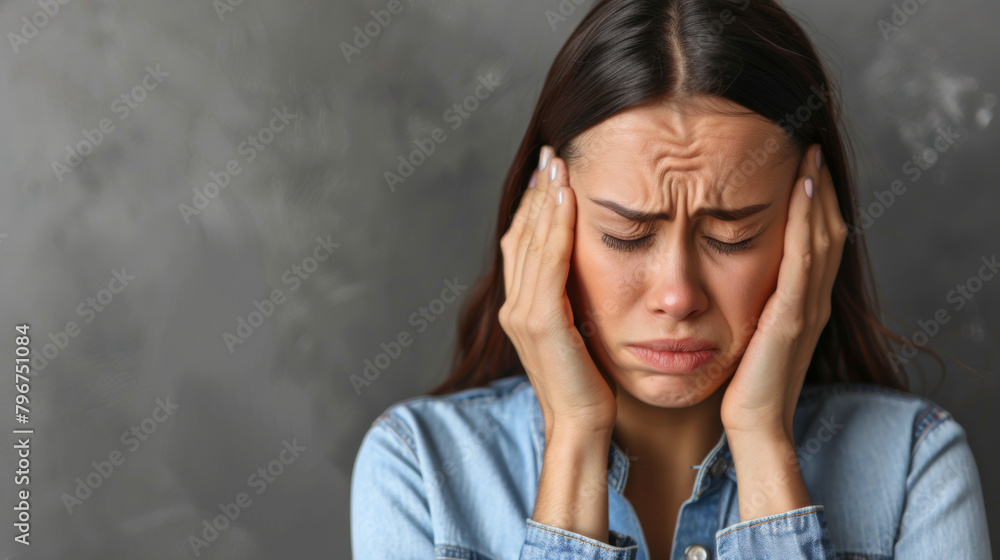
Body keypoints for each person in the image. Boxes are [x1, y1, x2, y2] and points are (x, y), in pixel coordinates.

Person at [350, 0, 993, 558]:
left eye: (732, 236)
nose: (678, 295)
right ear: (544, 225)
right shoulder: (419, 470)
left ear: (811, 231)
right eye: (626, 235)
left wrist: (764, 440)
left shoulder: (913, 465)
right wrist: (574, 434)